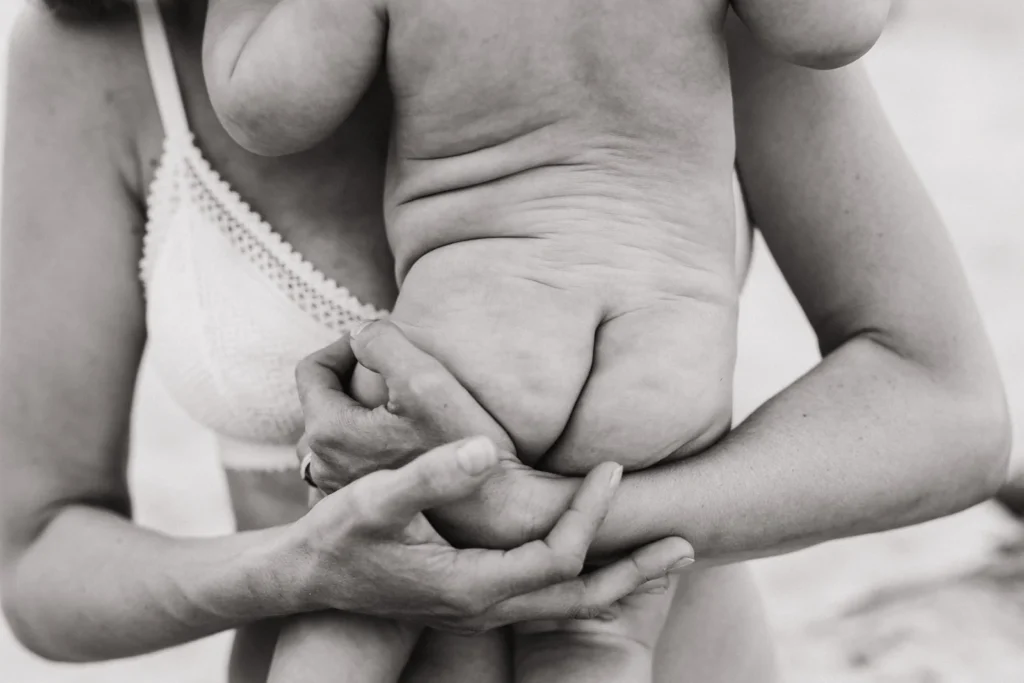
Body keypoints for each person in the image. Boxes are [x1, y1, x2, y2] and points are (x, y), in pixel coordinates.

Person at [0, 1, 1009, 683]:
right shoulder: (91, 61)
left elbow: (947, 411)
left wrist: (559, 518)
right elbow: (36, 556)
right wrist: (294, 568)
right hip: (568, 622)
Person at [200, 0, 893, 681]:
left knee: (366, 605)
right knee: (593, 642)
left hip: (478, 345)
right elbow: (833, 28)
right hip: (661, 364)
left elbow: (268, 109)